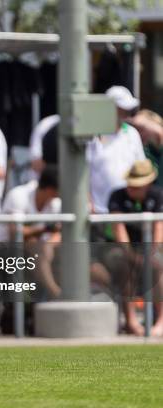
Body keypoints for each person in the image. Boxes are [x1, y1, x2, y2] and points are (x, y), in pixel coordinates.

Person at [106, 160, 163, 336]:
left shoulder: (158, 195)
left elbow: (159, 228)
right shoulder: (117, 196)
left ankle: (161, 321)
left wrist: (153, 254)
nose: (132, 188)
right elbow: (119, 228)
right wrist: (132, 256)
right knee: (124, 264)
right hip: (124, 250)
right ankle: (131, 321)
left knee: (158, 265)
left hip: (150, 249)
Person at [2, 166, 62, 299]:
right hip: (5, 250)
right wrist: (43, 231)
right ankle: (56, 294)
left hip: (38, 254)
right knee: (39, 249)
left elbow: (60, 232)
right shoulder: (18, 195)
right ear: (50, 190)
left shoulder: (55, 203)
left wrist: (49, 244)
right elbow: (14, 232)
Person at [87, 85, 144, 213]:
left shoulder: (132, 133)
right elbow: (84, 172)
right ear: (109, 108)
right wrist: (88, 202)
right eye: (121, 108)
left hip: (128, 211)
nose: (126, 112)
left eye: (127, 108)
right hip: (99, 211)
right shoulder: (92, 135)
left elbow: (140, 169)